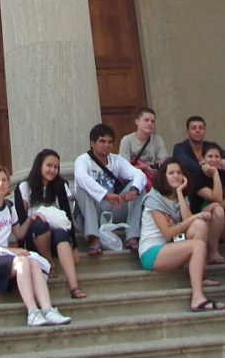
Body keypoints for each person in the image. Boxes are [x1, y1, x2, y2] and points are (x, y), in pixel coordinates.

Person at [0, 165, 70, 327]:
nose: (1, 184)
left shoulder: (9, 207)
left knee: (33, 262)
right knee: (22, 261)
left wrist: (31, 218)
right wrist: (12, 251)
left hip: (2, 258)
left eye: (4, 180)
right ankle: (32, 312)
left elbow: (20, 233)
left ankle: (48, 309)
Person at [137, 160, 225, 312]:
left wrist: (179, 193)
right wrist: (195, 216)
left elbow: (188, 220)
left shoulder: (181, 197)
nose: (176, 176)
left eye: (179, 173)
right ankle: (198, 299)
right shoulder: (153, 199)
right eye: (171, 173)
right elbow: (168, 233)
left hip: (171, 246)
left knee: (199, 225)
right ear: (163, 176)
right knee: (198, 244)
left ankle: (199, 275)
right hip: (152, 252)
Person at [15, 148, 86, 300]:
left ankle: (74, 287)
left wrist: (74, 247)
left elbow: (67, 217)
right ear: (39, 165)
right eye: (49, 165)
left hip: (57, 238)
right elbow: (21, 218)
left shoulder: (60, 186)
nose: (52, 170)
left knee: (61, 233)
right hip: (34, 237)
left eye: (56, 167)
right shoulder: (24, 187)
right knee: (40, 223)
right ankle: (49, 263)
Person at [73, 124, 148, 256]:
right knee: (83, 188)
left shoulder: (116, 160)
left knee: (139, 189)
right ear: (92, 143)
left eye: (109, 142)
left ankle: (132, 236)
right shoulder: (83, 160)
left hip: (112, 208)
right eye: (102, 141)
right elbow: (81, 177)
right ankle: (93, 238)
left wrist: (133, 190)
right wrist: (106, 195)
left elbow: (138, 174)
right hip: (89, 212)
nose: (106, 145)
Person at [191, 143, 225, 262]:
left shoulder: (224, 175)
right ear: (203, 159)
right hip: (202, 226)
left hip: (223, 227)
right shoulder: (197, 177)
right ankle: (213, 253)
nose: (214, 159)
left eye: (217, 156)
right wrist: (215, 173)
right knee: (218, 210)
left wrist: (217, 204)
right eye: (210, 156)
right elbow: (216, 197)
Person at [171, 115, 225, 182]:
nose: (197, 130)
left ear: (205, 131)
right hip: (191, 183)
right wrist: (208, 170)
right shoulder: (180, 148)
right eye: (193, 128)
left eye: (201, 128)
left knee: (224, 162)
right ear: (187, 131)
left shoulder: (209, 146)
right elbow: (188, 165)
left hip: (213, 179)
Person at [118, 106, 169, 188]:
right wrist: (143, 167)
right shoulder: (127, 140)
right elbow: (123, 168)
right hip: (134, 180)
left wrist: (157, 165)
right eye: (146, 120)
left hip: (154, 180)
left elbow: (164, 161)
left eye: (152, 121)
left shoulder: (157, 140)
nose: (150, 123)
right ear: (137, 121)